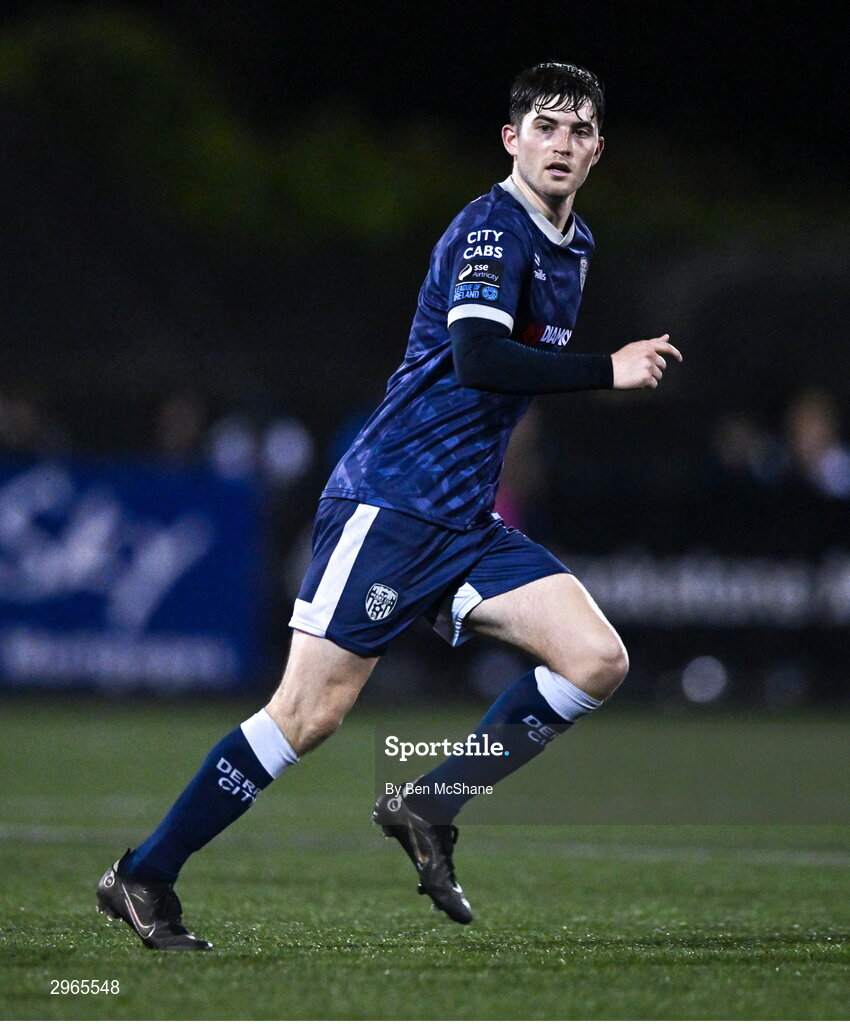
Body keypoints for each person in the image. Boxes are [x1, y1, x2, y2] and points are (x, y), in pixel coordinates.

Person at [96, 61, 681, 950]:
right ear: (511, 138)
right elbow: (481, 358)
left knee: (596, 658)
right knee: (307, 717)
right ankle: (143, 875)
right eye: (545, 126)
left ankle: (431, 804)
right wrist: (609, 368)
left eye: (580, 130)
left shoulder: (576, 245)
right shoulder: (492, 228)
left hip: (463, 521)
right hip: (392, 504)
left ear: (600, 148)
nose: (561, 143)